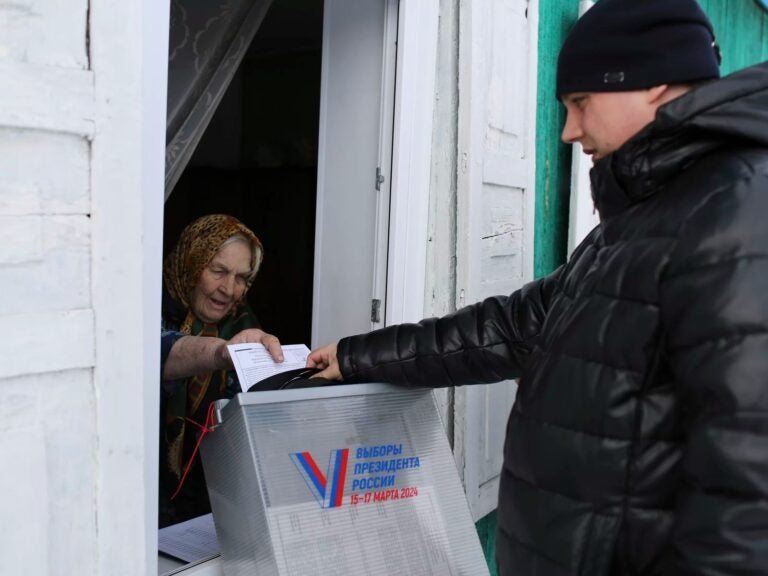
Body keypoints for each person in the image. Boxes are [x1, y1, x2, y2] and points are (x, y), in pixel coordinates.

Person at [308, 1, 768, 573]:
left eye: (580, 103)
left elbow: (748, 489)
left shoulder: (737, 209)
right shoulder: (642, 220)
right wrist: (354, 357)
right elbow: (507, 327)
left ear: (654, 85)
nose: (570, 131)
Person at [160, 214, 284, 527]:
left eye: (242, 277)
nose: (229, 289)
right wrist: (222, 353)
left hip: (209, 499)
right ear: (192, 263)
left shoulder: (241, 321)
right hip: (148, 494)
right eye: (218, 271)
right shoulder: (149, 305)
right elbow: (157, 354)